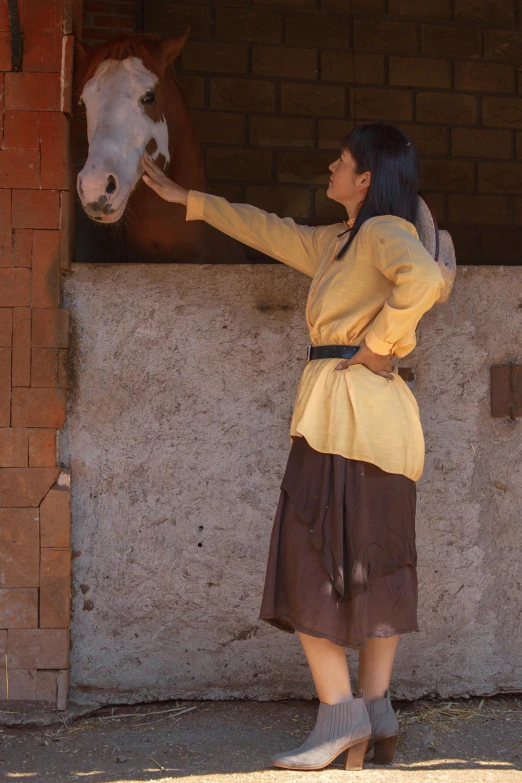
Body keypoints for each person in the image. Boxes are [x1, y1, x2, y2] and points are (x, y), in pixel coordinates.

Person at [141, 122, 446, 772]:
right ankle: (376, 709)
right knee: (378, 564)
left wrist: (381, 345)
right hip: (379, 426)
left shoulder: (383, 233)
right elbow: (266, 227)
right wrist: (186, 198)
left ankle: (341, 716)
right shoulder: (342, 243)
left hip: (345, 421)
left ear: (365, 178)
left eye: (339, 162)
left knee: (308, 563)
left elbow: (424, 280)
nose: (328, 169)